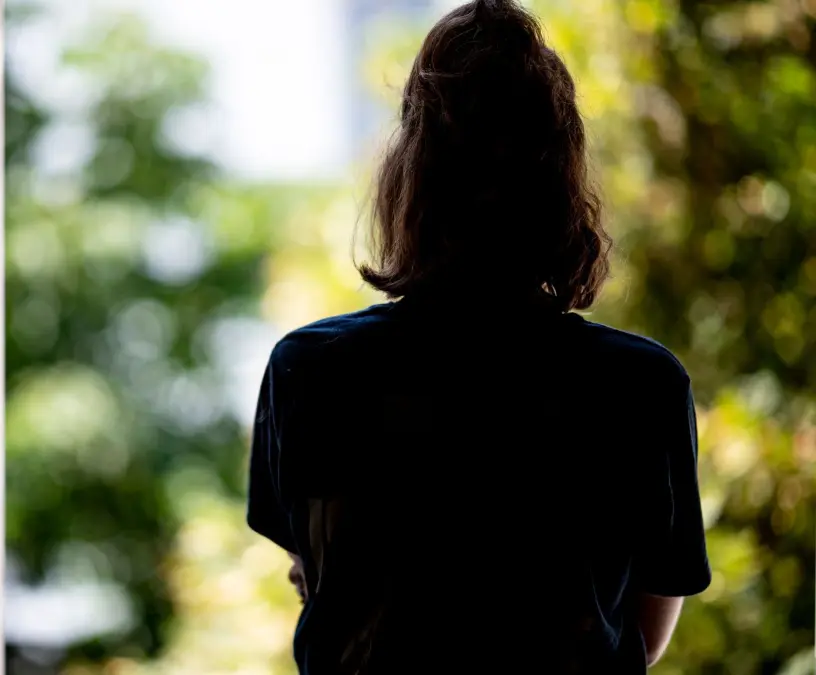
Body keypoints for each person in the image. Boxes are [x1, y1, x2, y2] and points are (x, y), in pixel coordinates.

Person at [246, 1, 712, 672]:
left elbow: (324, 582)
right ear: (561, 175)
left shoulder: (311, 370)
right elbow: (640, 631)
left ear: (409, 175)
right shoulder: (641, 384)